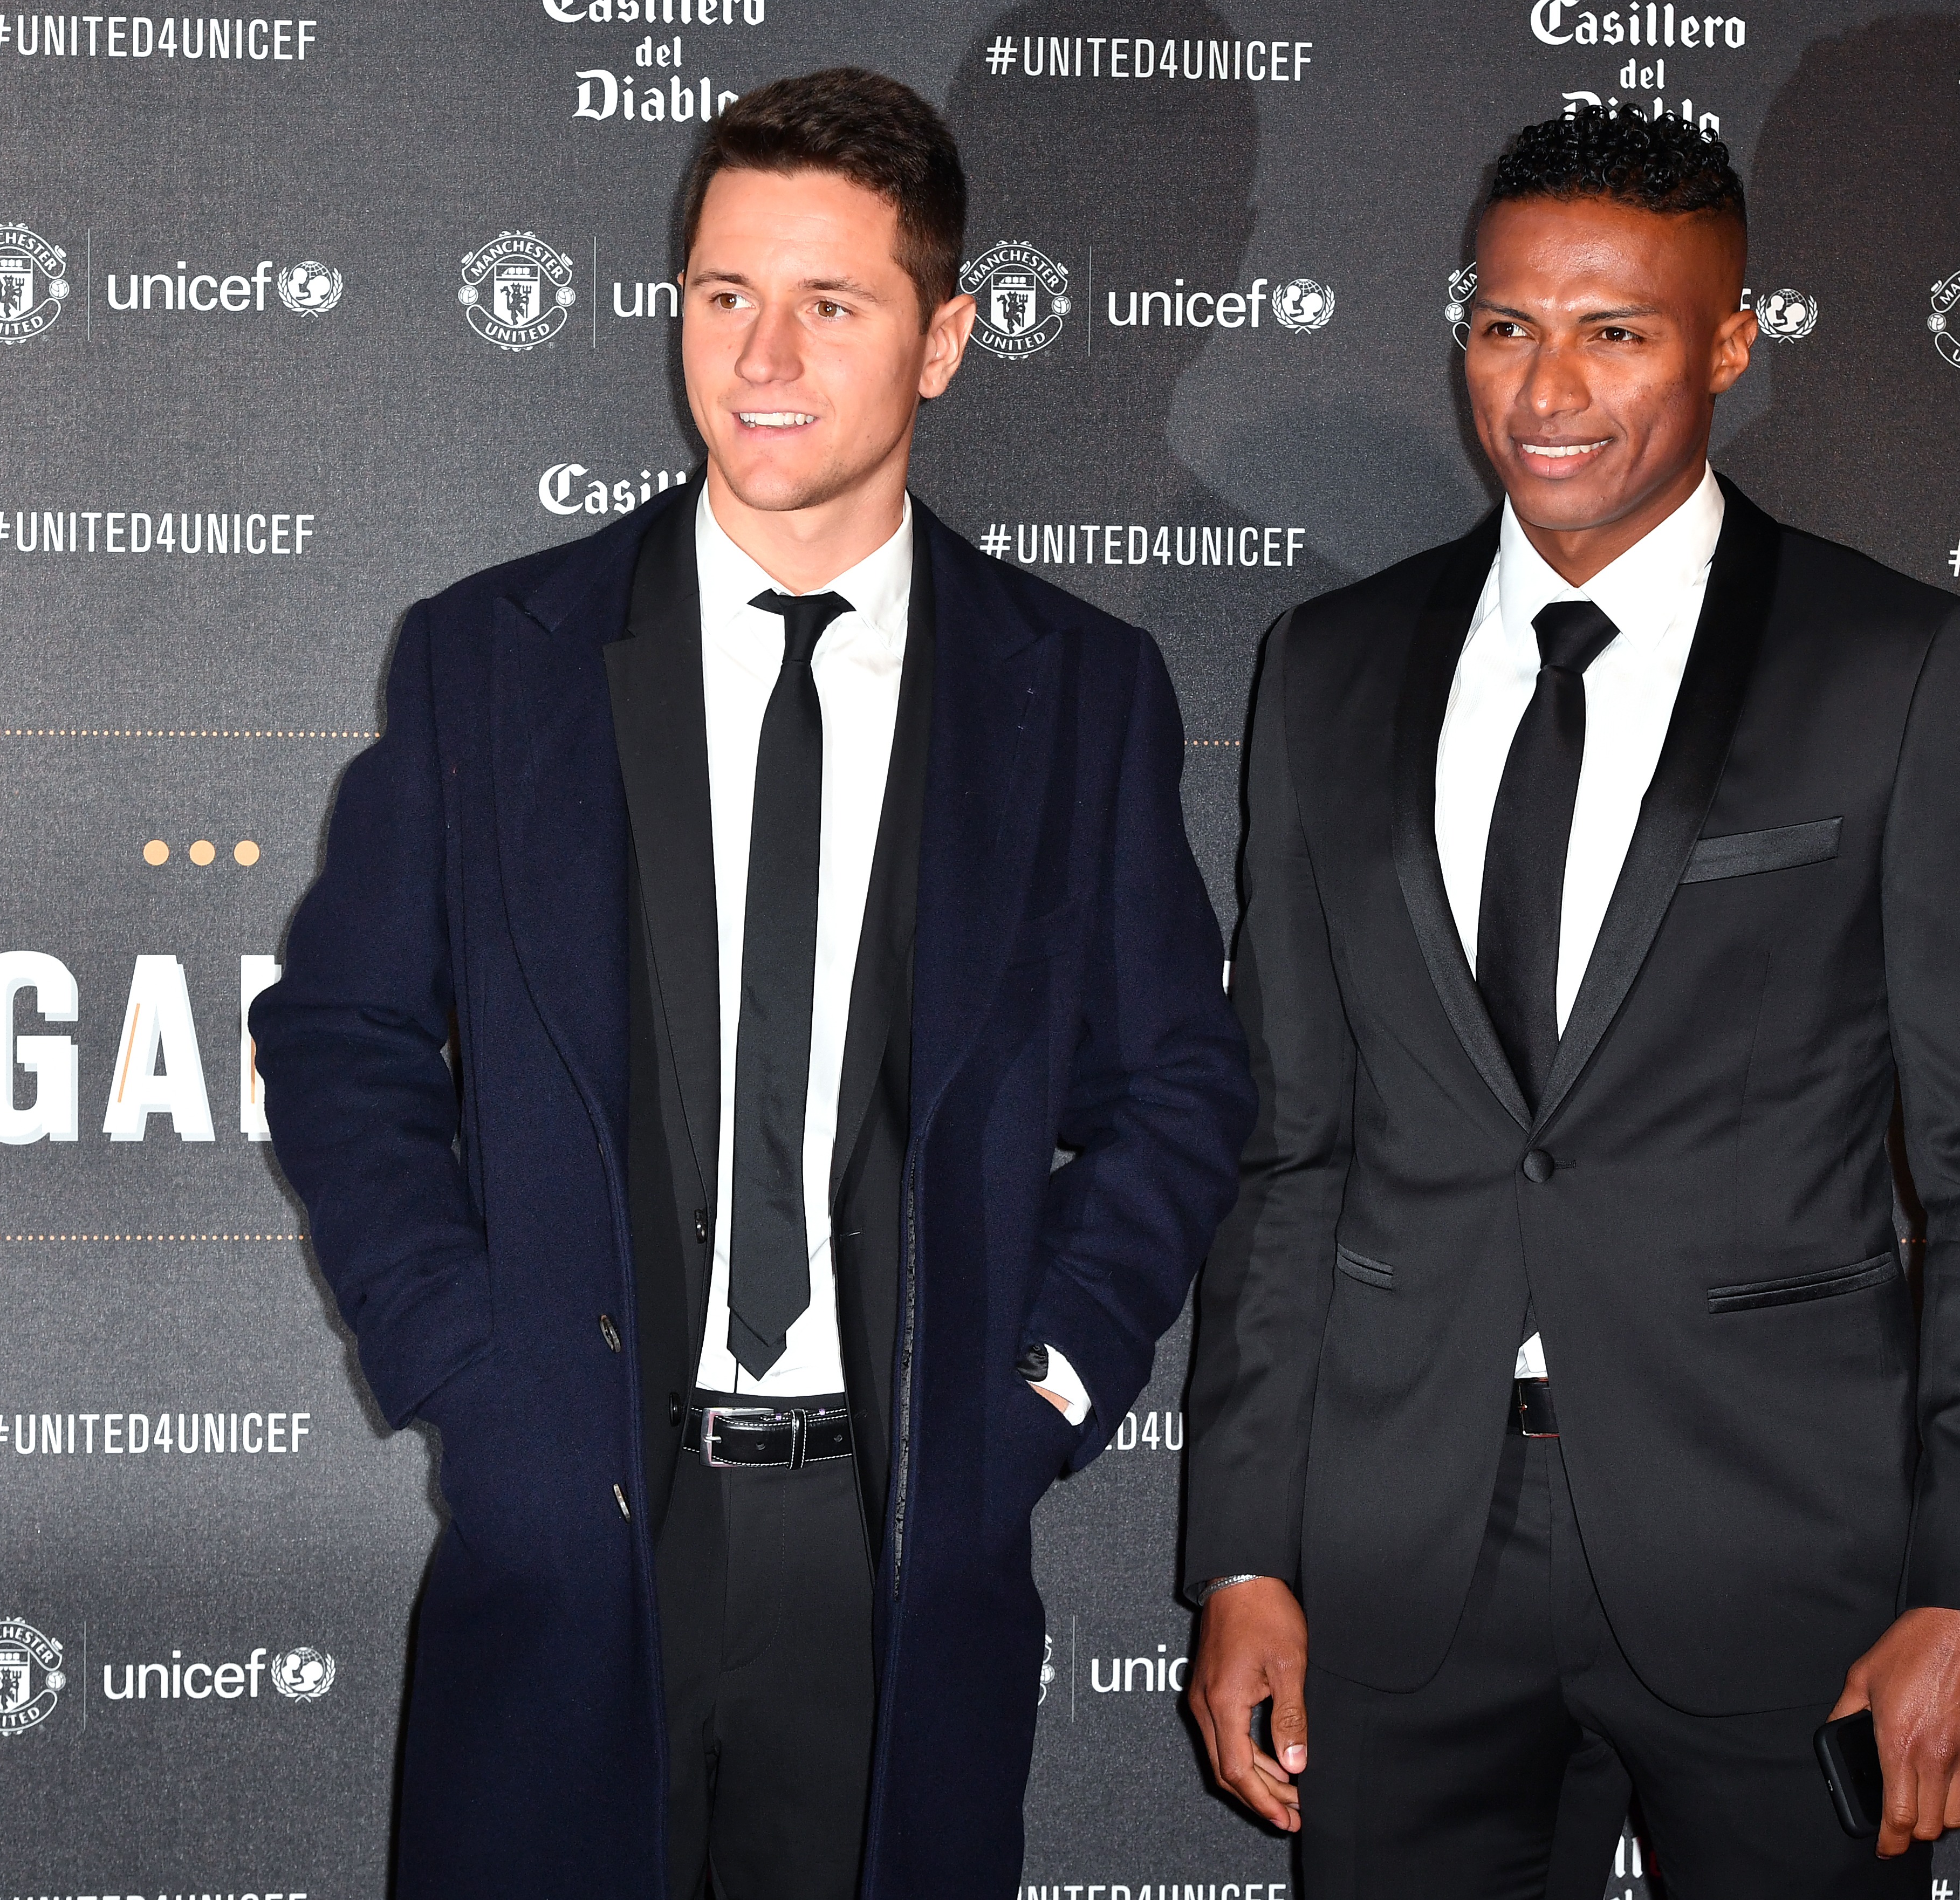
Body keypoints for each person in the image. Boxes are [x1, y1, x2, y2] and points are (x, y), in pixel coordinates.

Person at [252, 67, 1252, 1900]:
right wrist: (468, 1369)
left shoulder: (1078, 688)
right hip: (572, 1531)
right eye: (723, 294)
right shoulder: (495, 658)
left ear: (943, 340)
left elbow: (1175, 1084)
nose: (762, 355)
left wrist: (1039, 1389)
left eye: (831, 303)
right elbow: (341, 1033)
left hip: (901, 1536)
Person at [1181, 106, 1960, 1898]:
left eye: (1618, 330)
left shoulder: (1899, 668)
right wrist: (1242, 1554)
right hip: (1398, 1562)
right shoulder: (1329, 666)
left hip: (1778, 1559)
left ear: (1730, 344)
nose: (1546, 388)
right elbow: (1286, 1152)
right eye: (1507, 323)